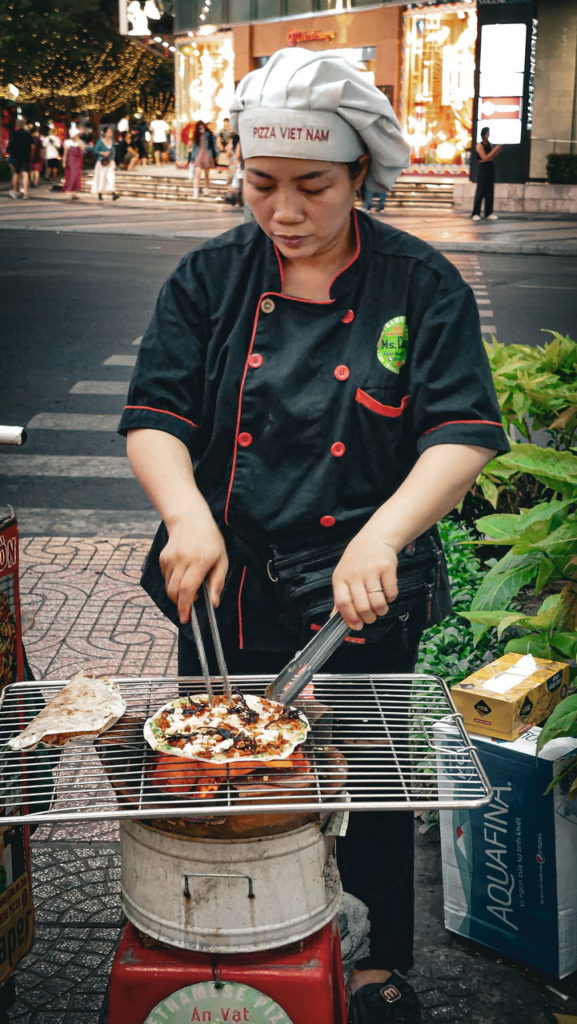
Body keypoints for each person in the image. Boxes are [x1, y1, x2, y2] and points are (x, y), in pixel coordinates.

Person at [118, 48, 509, 1024]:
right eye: (262, 185)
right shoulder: (210, 277)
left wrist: (384, 535)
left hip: (361, 585)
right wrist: (185, 512)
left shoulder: (419, 284)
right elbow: (154, 415)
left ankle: (374, 967)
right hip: (228, 585)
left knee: (367, 782)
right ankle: (228, 930)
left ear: (359, 177)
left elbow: (460, 431)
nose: (283, 210)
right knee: (225, 773)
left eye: (311, 187)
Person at [471, 126, 501, 221]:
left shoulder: (489, 144)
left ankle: (489, 212)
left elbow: (492, 156)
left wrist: (498, 150)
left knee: (489, 191)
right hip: (483, 168)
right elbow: (484, 158)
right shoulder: (479, 145)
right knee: (480, 191)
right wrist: (494, 150)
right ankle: (475, 213)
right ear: (483, 134)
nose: (488, 135)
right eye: (487, 133)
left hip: (490, 168)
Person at [187, 120, 218, 199]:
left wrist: (216, 155)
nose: (201, 127)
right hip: (198, 156)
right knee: (197, 175)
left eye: (202, 126)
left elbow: (214, 146)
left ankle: (207, 190)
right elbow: (194, 148)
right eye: (199, 126)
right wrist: (192, 159)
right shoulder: (196, 135)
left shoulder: (209, 134)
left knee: (207, 175)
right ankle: (195, 191)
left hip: (207, 156)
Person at [6, 117, 33, 199]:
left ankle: (15, 191)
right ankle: (26, 193)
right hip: (25, 156)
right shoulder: (27, 134)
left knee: (16, 174)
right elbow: (32, 146)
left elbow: (10, 145)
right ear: (24, 124)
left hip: (15, 156)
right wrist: (30, 155)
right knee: (25, 174)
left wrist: (9, 153)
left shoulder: (13, 133)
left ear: (16, 124)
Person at [91, 127, 119, 201]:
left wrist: (111, 155)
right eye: (109, 132)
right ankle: (100, 193)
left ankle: (113, 193)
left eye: (111, 132)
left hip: (110, 162)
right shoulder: (100, 141)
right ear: (105, 133)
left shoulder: (111, 142)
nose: (110, 133)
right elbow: (95, 150)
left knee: (111, 177)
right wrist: (102, 153)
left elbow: (113, 151)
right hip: (102, 162)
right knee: (102, 177)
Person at [62, 129, 85, 200]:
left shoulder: (80, 142)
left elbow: (83, 151)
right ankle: (72, 191)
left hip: (78, 161)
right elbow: (65, 153)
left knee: (77, 176)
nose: (77, 136)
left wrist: (80, 144)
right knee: (72, 175)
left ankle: (74, 193)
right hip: (71, 161)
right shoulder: (67, 142)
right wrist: (64, 161)